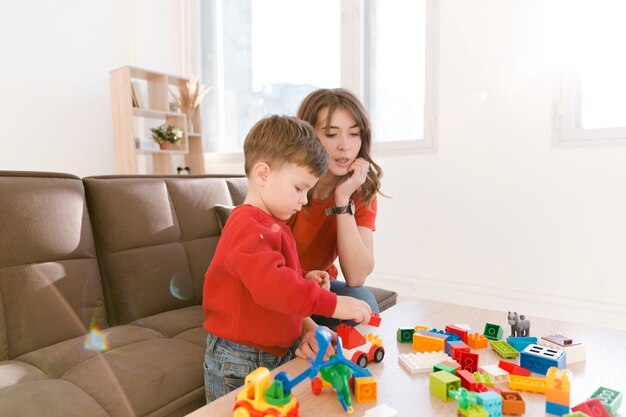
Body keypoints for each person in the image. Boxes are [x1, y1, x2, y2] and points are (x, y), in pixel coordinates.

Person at [202, 115, 372, 402]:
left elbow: (270, 272)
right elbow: (272, 287)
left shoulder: (270, 223)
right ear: (263, 174)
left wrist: (303, 275)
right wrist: (333, 304)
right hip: (240, 357)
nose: (304, 199)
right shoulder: (247, 226)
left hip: (271, 351)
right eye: (299, 188)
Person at [289, 88, 384, 329]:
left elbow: (356, 276)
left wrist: (343, 199)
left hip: (317, 290)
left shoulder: (360, 189)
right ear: (308, 136)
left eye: (354, 134)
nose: (345, 146)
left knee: (364, 302)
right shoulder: (290, 185)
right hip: (281, 289)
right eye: (332, 134)